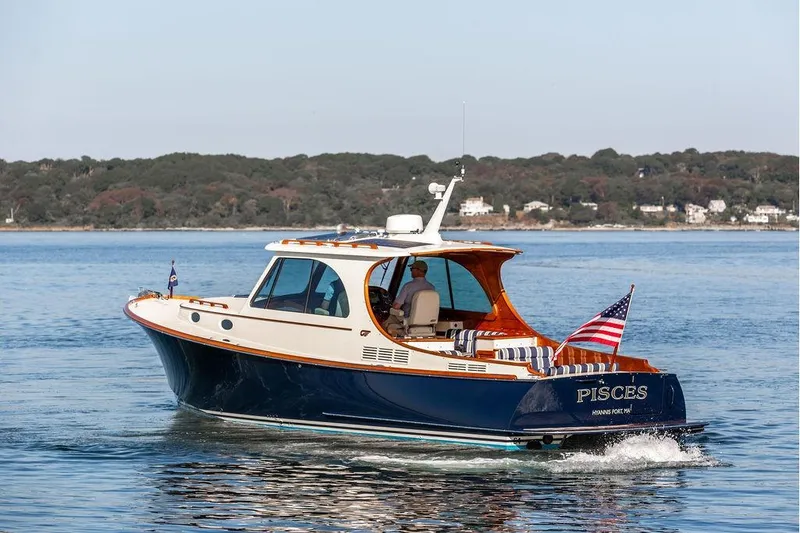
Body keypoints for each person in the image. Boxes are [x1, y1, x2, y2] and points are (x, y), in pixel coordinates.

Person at [382, 260, 435, 332]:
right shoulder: (432, 288)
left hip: (408, 321)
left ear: (418, 270)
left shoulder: (408, 286)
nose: (411, 271)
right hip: (427, 323)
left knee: (386, 321)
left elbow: (396, 306)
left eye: (412, 269)